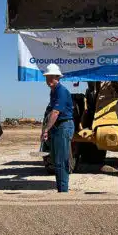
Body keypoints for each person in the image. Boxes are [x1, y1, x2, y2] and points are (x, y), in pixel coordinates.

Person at [40, 63, 74, 193]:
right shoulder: (53, 91)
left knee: (61, 160)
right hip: (57, 126)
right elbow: (50, 112)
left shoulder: (61, 91)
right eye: (47, 78)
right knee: (56, 160)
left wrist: (47, 129)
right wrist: (45, 129)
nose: (49, 81)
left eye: (51, 78)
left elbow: (55, 113)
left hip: (63, 126)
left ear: (57, 77)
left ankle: (63, 190)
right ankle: (60, 188)